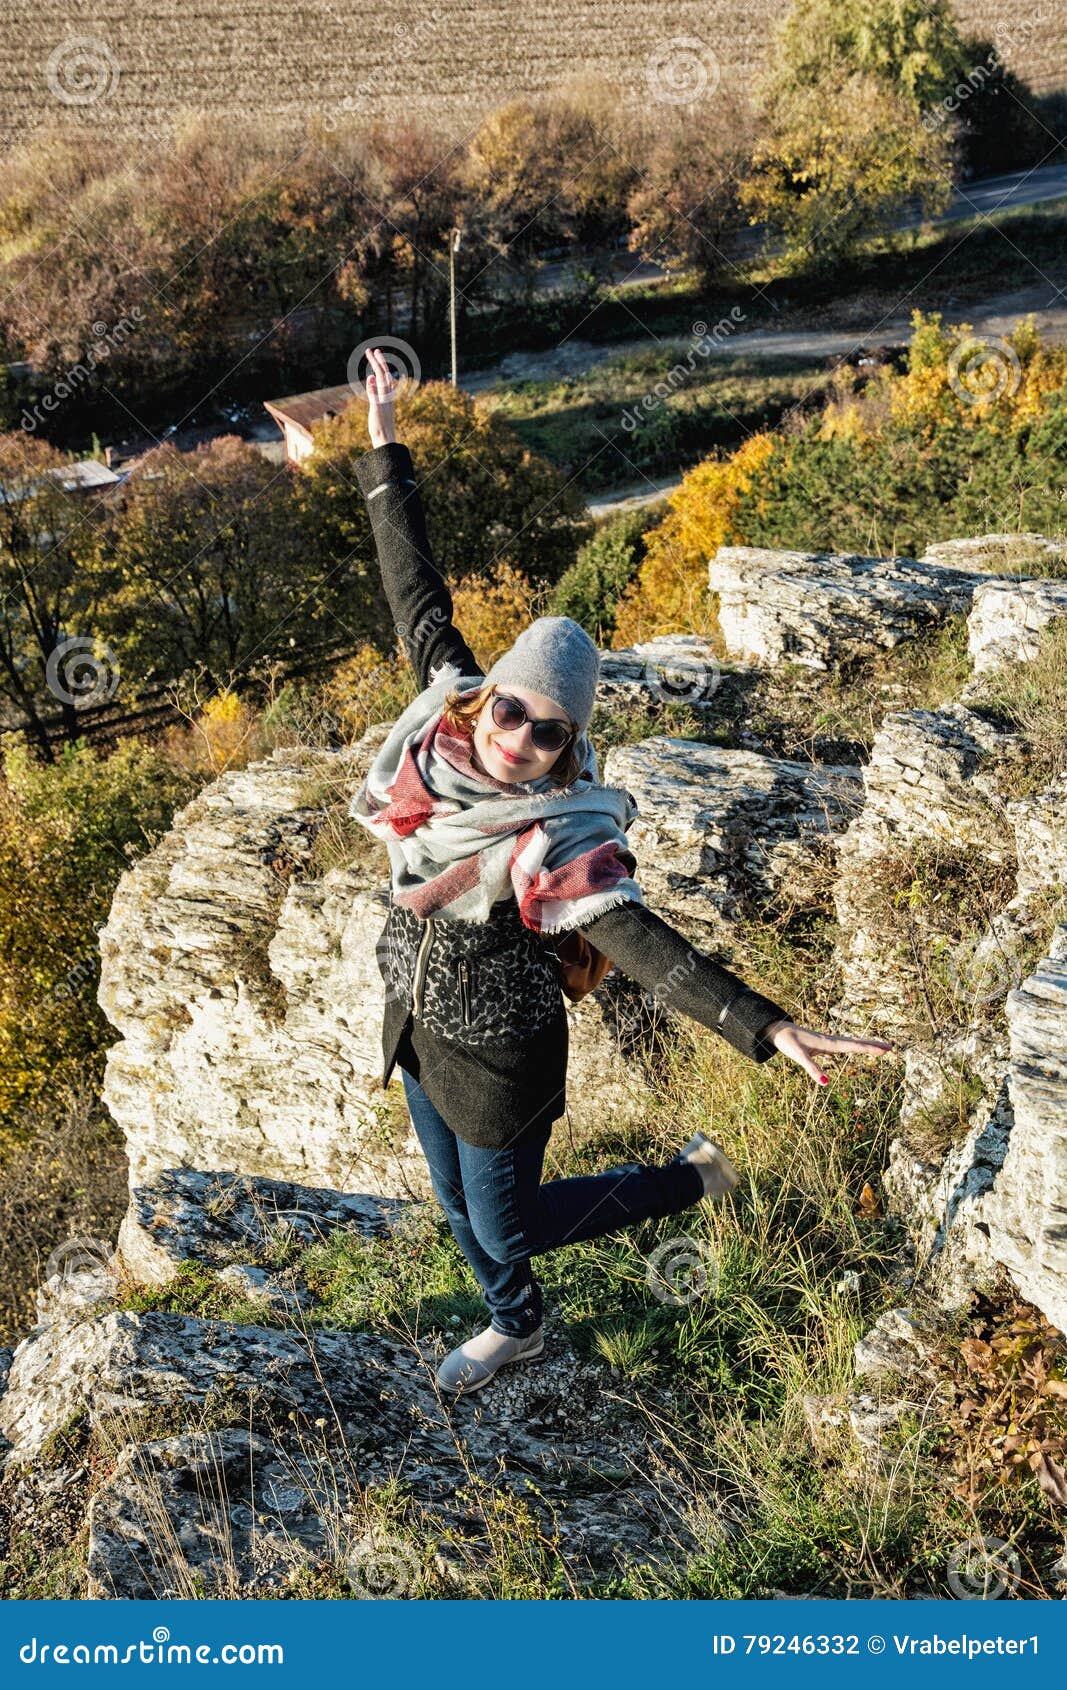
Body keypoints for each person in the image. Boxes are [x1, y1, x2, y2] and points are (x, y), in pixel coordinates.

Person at [349, 345, 894, 1396]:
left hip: (502, 1060)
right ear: (488, 696)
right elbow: (411, 585)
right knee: (460, 1214)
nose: (519, 740)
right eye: (511, 711)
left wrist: (764, 1024)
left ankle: (689, 1180)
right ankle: (519, 1325)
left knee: (509, 1222)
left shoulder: (558, 835)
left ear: (568, 749)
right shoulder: (441, 722)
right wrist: (383, 446)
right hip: (413, 1023)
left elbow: (637, 939)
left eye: (549, 734)